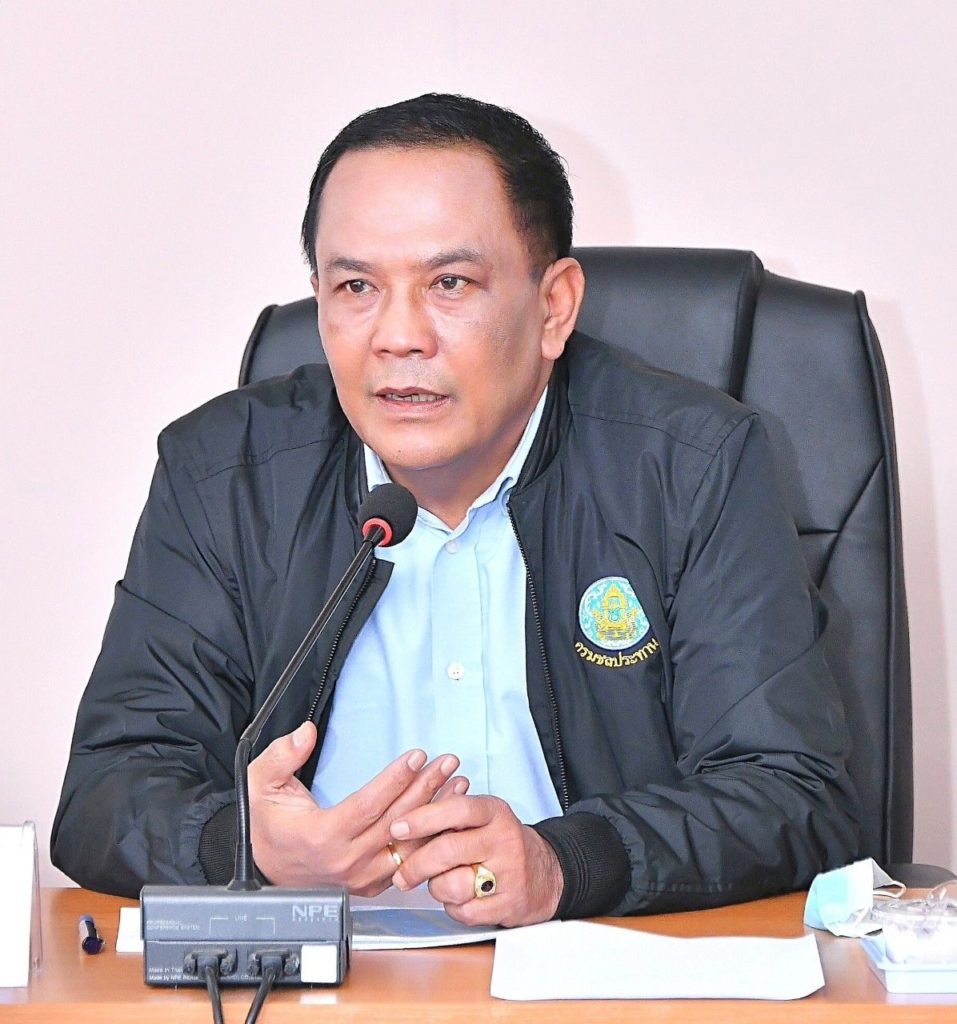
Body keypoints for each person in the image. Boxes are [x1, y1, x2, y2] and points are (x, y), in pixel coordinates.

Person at [52, 93, 860, 926]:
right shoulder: (227, 474)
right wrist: (247, 846)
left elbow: (792, 792)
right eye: (356, 286)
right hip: (320, 979)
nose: (398, 336)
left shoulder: (688, 465)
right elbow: (107, 791)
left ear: (553, 307)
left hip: (591, 966)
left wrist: (563, 864)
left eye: (449, 283)